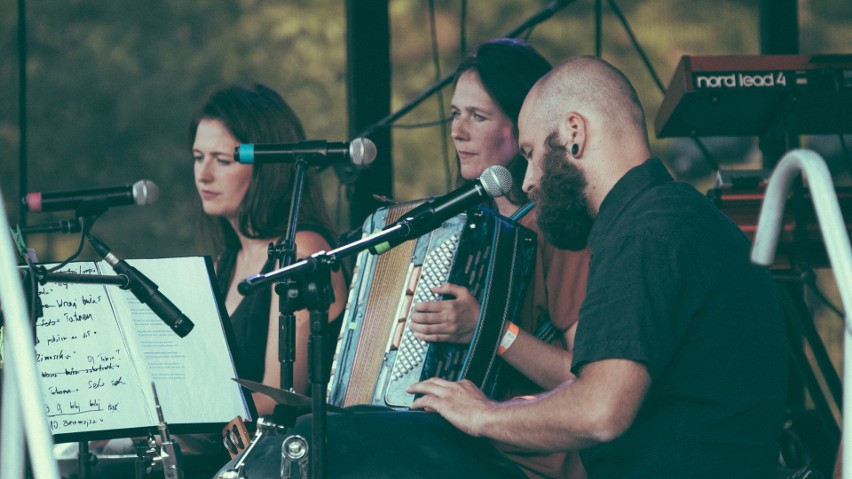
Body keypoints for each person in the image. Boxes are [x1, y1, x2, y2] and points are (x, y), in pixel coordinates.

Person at [409, 55, 788, 478]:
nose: (530, 179)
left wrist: (481, 416)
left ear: (575, 133)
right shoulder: (671, 217)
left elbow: (599, 411)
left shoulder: (646, 234)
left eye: (532, 153)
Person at [407, 38, 590, 479]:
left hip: (528, 456)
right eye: (455, 114)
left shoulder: (560, 228)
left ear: (524, 125)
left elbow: (586, 381)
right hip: (455, 439)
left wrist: (487, 329)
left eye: (478, 115)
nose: (458, 130)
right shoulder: (458, 223)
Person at [190, 84, 349, 416]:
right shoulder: (226, 261)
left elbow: (278, 398)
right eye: (198, 158)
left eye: (221, 160)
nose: (204, 175)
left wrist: (188, 421)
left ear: (267, 168)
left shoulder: (302, 250)